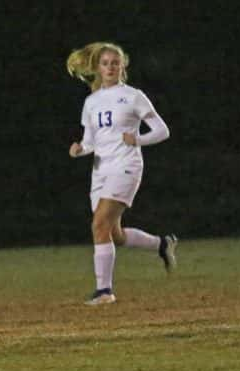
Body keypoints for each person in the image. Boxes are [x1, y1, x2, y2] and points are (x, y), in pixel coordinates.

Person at [66, 42, 177, 305]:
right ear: (98, 68)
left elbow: (162, 130)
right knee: (113, 234)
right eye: (105, 63)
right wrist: (79, 150)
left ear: (122, 65)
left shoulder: (133, 96)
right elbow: (90, 142)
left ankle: (104, 291)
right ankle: (162, 244)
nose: (110, 67)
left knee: (99, 225)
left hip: (126, 167)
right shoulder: (91, 102)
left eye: (115, 63)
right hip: (100, 171)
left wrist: (136, 139)